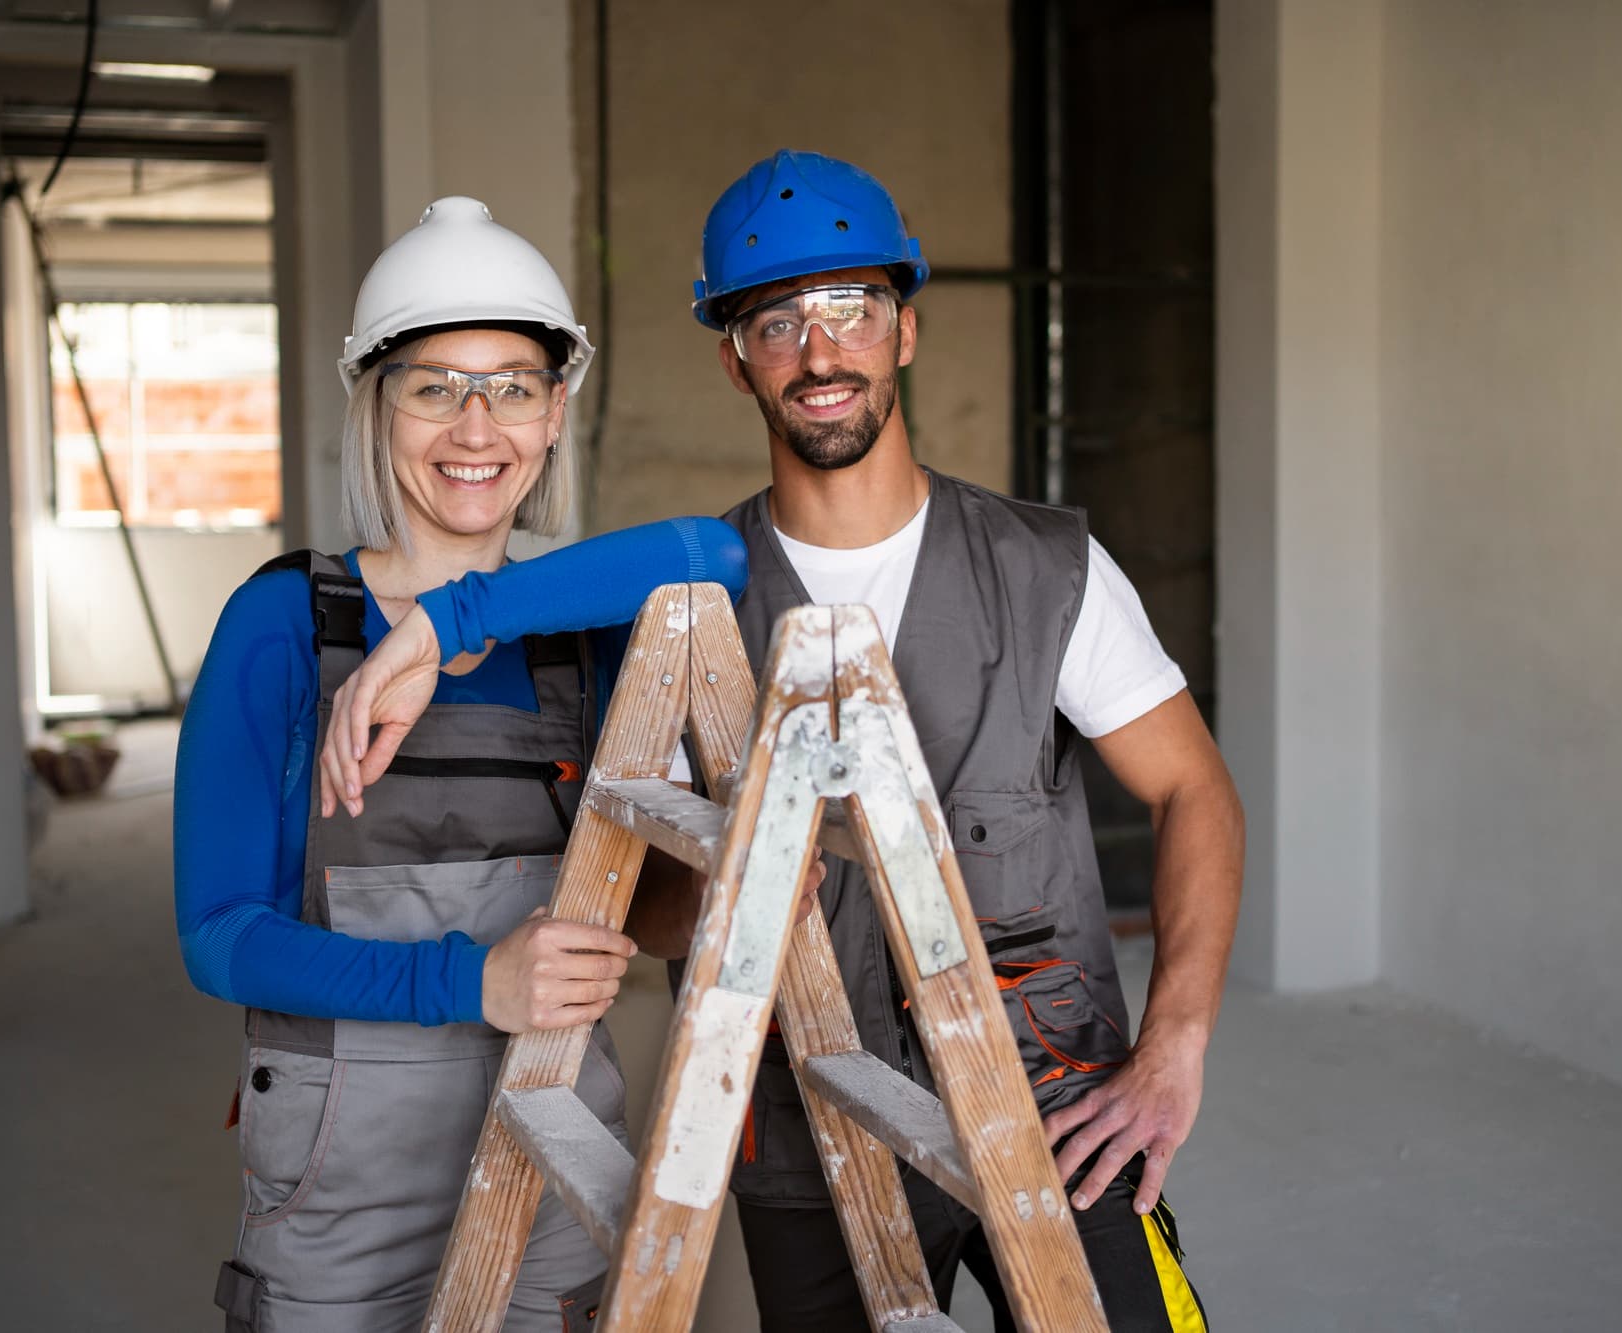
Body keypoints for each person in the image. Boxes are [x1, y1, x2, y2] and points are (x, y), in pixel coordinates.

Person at [682, 150, 1244, 1332]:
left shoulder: (1044, 570)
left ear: (904, 331)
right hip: (807, 1119)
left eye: (851, 308)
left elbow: (1192, 790)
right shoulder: (698, 608)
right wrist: (723, 892)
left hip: (1058, 1105)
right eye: (775, 321)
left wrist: (1172, 1044)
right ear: (734, 360)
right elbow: (643, 901)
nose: (818, 352)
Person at [174, 196, 748, 1333]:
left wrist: (448, 623)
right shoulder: (284, 621)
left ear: (554, 412)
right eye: (434, 387)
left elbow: (717, 550)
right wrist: (471, 983)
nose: (475, 428)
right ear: (375, 404)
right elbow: (219, 936)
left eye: (513, 388)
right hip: (342, 1177)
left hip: (556, 1132)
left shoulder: (582, 630)